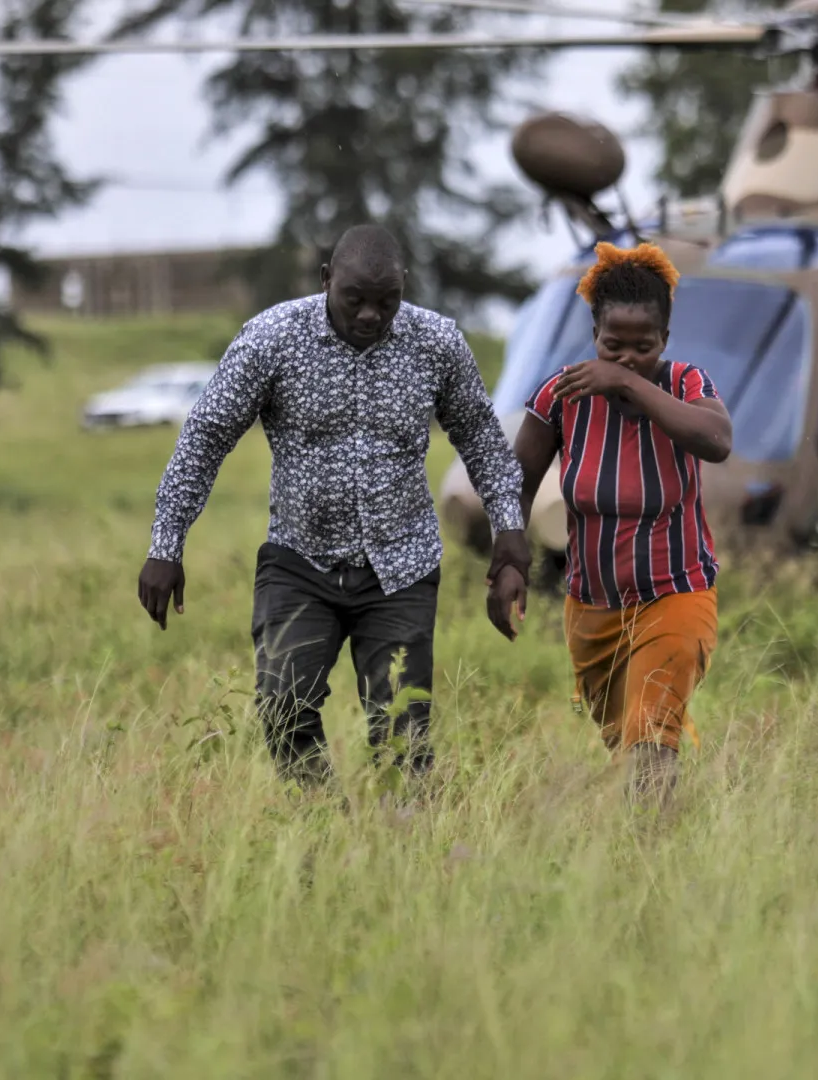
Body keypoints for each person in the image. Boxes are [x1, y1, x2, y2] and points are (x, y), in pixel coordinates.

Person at [136, 224, 531, 786]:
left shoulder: (437, 344)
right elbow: (205, 437)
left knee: (403, 731)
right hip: (300, 562)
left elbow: (484, 441)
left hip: (401, 568)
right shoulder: (272, 339)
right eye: (355, 299)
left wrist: (510, 535)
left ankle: (400, 850)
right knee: (282, 705)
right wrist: (165, 547)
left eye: (386, 301)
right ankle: (320, 824)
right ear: (326, 281)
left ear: (403, 288)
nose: (371, 314)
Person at [490, 242, 732, 807]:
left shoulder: (685, 385)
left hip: (676, 593)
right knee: (625, 736)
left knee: (650, 738)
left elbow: (717, 441)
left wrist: (630, 386)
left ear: (664, 342)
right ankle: (662, 834)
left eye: (642, 348)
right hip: (592, 608)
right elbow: (515, 483)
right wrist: (508, 562)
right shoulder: (562, 394)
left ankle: (650, 866)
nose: (625, 358)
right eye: (612, 345)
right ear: (593, 333)